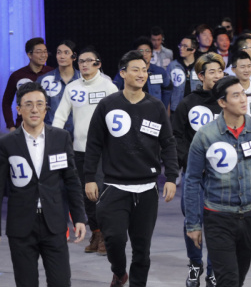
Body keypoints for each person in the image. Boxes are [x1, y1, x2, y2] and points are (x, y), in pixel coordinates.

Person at [84, 50, 179, 287]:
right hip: (114, 186)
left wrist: (171, 176)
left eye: (144, 70)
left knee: (142, 248)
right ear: (123, 73)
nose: (141, 74)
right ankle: (119, 271)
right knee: (114, 239)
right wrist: (89, 177)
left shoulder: (155, 106)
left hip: (147, 188)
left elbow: (168, 143)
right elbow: (93, 143)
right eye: (135, 69)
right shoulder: (108, 104)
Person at [184, 76, 251, 287]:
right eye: (236, 95)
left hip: (250, 217)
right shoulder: (205, 135)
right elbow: (192, 180)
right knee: (228, 280)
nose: (243, 99)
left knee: (238, 278)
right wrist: (193, 223)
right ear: (222, 102)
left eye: (243, 94)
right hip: (217, 217)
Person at [0, 82, 87, 287]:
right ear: (18, 109)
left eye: (40, 104)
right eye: (28, 104)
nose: (34, 109)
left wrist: (79, 218)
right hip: (21, 226)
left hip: (54, 224)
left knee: (61, 282)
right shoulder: (7, 143)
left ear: (46, 108)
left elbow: (72, 180)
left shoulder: (61, 138)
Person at [52, 46, 118, 255]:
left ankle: (106, 235)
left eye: (89, 61)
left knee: (100, 193)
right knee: (84, 195)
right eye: (81, 61)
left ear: (98, 64)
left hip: (103, 151)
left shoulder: (108, 87)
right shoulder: (72, 88)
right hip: (79, 151)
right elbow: (60, 117)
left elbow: (119, 117)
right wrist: (53, 142)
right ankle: (96, 233)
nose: (84, 64)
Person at [172, 53, 225, 287]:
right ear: (201, 76)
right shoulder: (188, 102)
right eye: (212, 72)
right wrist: (190, 163)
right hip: (194, 176)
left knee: (217, 224)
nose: (217, 76)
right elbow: (177, 136)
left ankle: (213, 270)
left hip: (222, 176)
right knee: (192, 221)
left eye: (220, 71)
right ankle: (195, 264)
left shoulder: (227, 101)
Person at [2, 37, 54, 131]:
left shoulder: (52, 73)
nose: (43, 55)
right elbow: (6, 102)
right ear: (29, 55)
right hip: (23, 126)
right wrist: (11, 126)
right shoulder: (17, 75)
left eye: (45, 51)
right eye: (39, 52)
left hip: (48, 126)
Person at [114, 36, 172, 109]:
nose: (144, 54)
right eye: (141, 51)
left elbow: (168, 89)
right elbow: (114, 88)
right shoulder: (126, 70)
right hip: (132, 109)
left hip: (154, 110)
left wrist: (162, 106)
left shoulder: (159, 71)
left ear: (152, 53)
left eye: (147, 51)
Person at [36, 40, 81, 133]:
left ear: (74, 56)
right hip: (52, 132)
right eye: (59, 52)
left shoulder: (83, 79)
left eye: (66, 53)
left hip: (79, 133)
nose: (62, 56)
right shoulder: (44, 80)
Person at [167, 35, 199, 113]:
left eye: (185, 46)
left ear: (193, 50)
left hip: (196, 108)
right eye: (180, 45)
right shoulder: (173, 66)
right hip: (176, 108)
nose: (181, 48)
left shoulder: (200, 66)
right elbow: (167, 89)